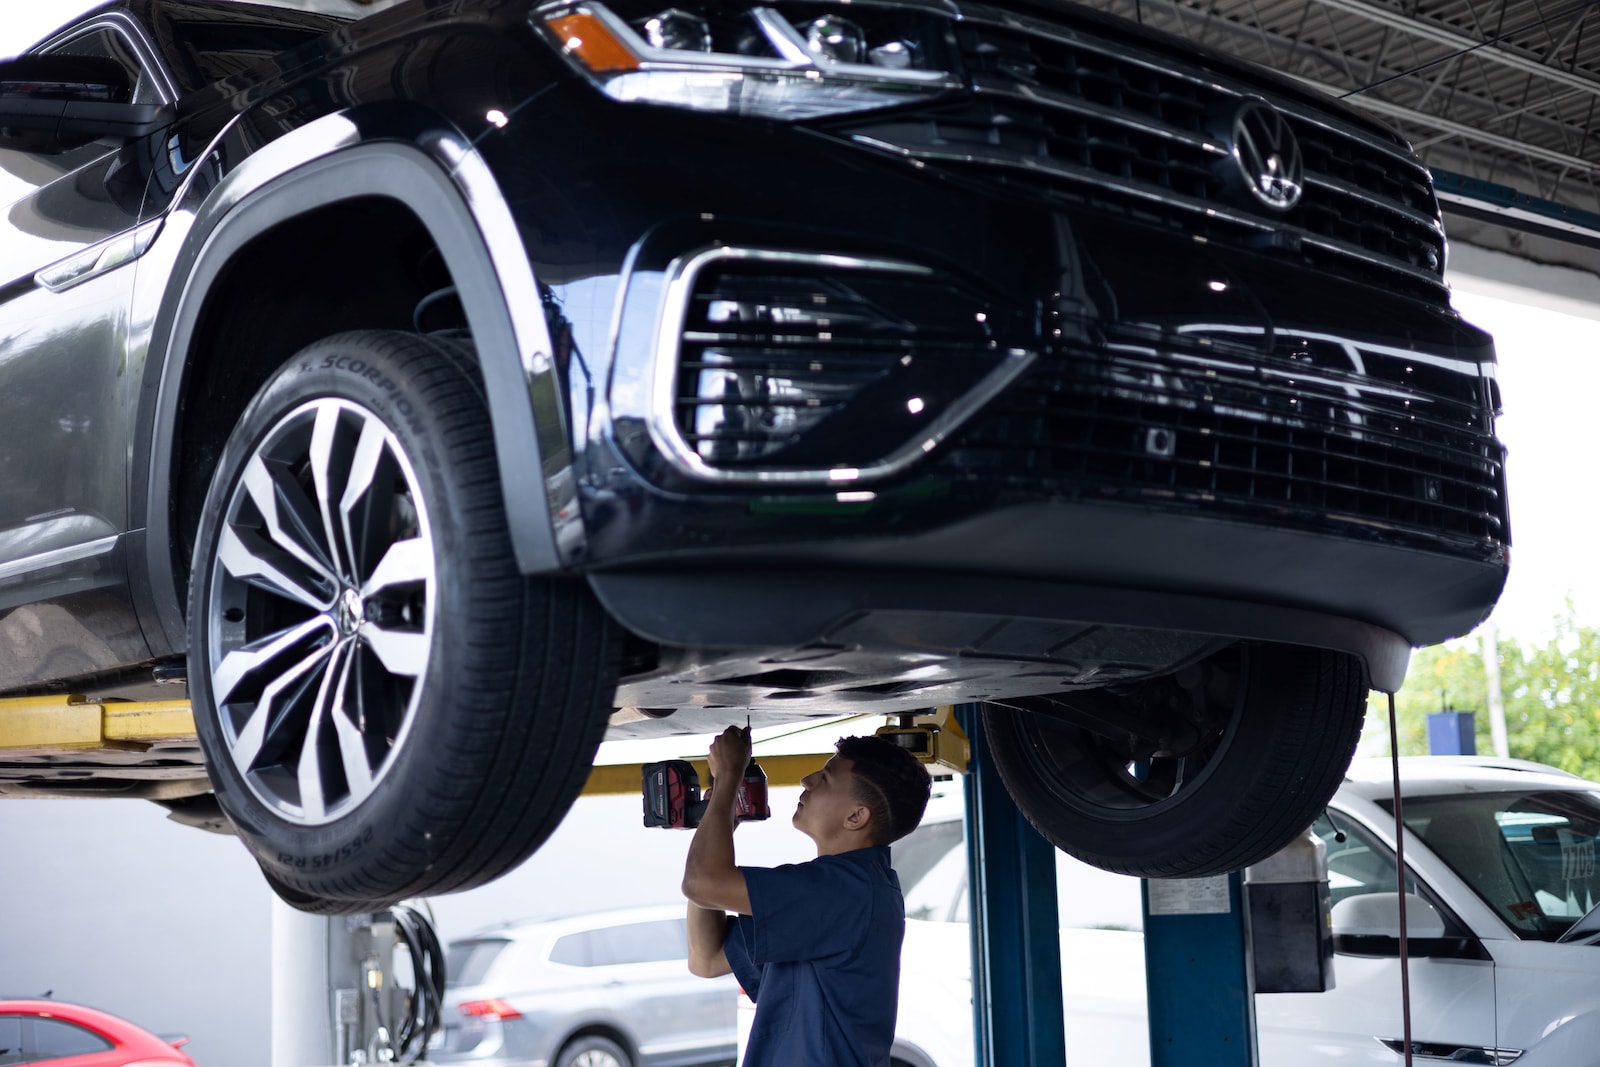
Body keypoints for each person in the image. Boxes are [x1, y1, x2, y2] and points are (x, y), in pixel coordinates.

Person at [682, 725, 932, 1067]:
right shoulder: (840, 892)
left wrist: (728, 779)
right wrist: (717, 820)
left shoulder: (843, 893)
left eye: (826, 778)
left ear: (856, 816)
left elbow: (703, 883)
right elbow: (706, 958)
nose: (807, 780)